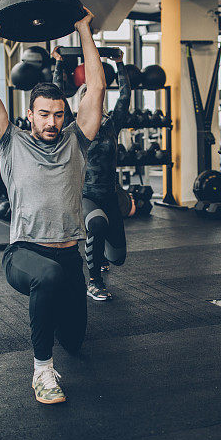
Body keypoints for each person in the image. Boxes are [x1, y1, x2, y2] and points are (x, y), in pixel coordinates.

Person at [0, 6, 105, 404]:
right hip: (24, 253)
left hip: (70, 258)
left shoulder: (75, 141)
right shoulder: (10, 142)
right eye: (43, 114)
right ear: (29, 114)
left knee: (76, 341)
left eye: (58, 115)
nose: (51, 121)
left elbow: (96, 90)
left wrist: (83, 27)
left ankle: (56, 338)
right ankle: (41, 371)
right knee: (45, 277)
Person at [52, 48, 131, 301]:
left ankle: (100, 253)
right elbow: (58, 94)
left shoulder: (111, 124)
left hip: (110, 193)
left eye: (96, 97)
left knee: (118, 258)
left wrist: (120, 63)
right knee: (96, 223)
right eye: (87, 97)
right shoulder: (73, 127)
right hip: (85, 194)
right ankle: (94, 281)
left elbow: (125, 95)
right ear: (81, 103)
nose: (92, 101)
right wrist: (59, 63)